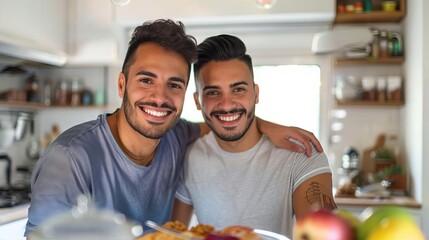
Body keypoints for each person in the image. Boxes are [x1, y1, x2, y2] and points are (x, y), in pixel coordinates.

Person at [24, 20, 322, 237]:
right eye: (146, 80)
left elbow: (219, 122)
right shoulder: (69, 158)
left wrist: (266, 125)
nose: (160, 97)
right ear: (121, 84)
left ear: (185, 97)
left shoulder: (176, 136)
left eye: (174, 85)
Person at [172, 34, 337, 238]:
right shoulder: (189, 156)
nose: (226, 104)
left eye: (238, 89)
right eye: (213, 93)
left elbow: (323, 233)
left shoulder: (301, 152)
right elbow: (172, 233)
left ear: (256, 94)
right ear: (197, 101)